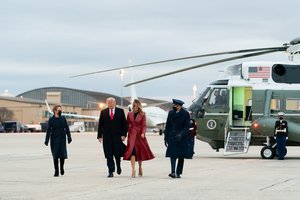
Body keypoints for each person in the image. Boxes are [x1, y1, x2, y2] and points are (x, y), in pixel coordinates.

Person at [123, 99, 155, 178]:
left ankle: (140, 167)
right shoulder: (129, 114)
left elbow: (144, 125)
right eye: (133, 105)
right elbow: (127, 124)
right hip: (131, 135)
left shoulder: (143, 114)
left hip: (140, 135)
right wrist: (124, 134)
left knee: (139, 152)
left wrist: (143, 133)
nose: (134, 107)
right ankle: (133, 170)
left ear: (138, 106)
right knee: (132, 152)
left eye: (136, 105)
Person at [97, 97, 128, 178]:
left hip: (117, 137)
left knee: (117, 154)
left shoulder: (120, 111)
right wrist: (99, 136)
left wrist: (124, 135)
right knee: (108, 155)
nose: (110, 104)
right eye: (109, 103)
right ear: (107, 103)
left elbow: (124, 124)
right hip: (107, 138)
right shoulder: (103, 112)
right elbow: (100, 125)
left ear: (114, 103)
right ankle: (111, 171)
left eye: (111, 102)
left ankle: (118, 166)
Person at [164, 99, 190, 178]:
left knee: (181, 156)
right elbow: (168, 126)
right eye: (174, 105)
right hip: (172, 136)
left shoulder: (185, 114)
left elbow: (186, 126)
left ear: (180, 106)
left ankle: (178, 172)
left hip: (181, 137)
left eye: (176, 105)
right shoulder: (171, 113)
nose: (174, 106)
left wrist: (181, 134)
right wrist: (165, 138)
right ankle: (173, 172)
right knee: (172, 154)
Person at [44, 105, 72, 177]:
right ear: (55, 111)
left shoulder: (63, 118)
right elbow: (48, 130)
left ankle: (61, 168)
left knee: (62, 155)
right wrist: (46, 140)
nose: (60, 111)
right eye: (59, 110)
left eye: (60, 110)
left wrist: (69, 137)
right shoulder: (51, 119)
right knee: (55, 155)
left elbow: (67, 128)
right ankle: (56, 170)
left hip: (62, 139)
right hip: (54, 139)